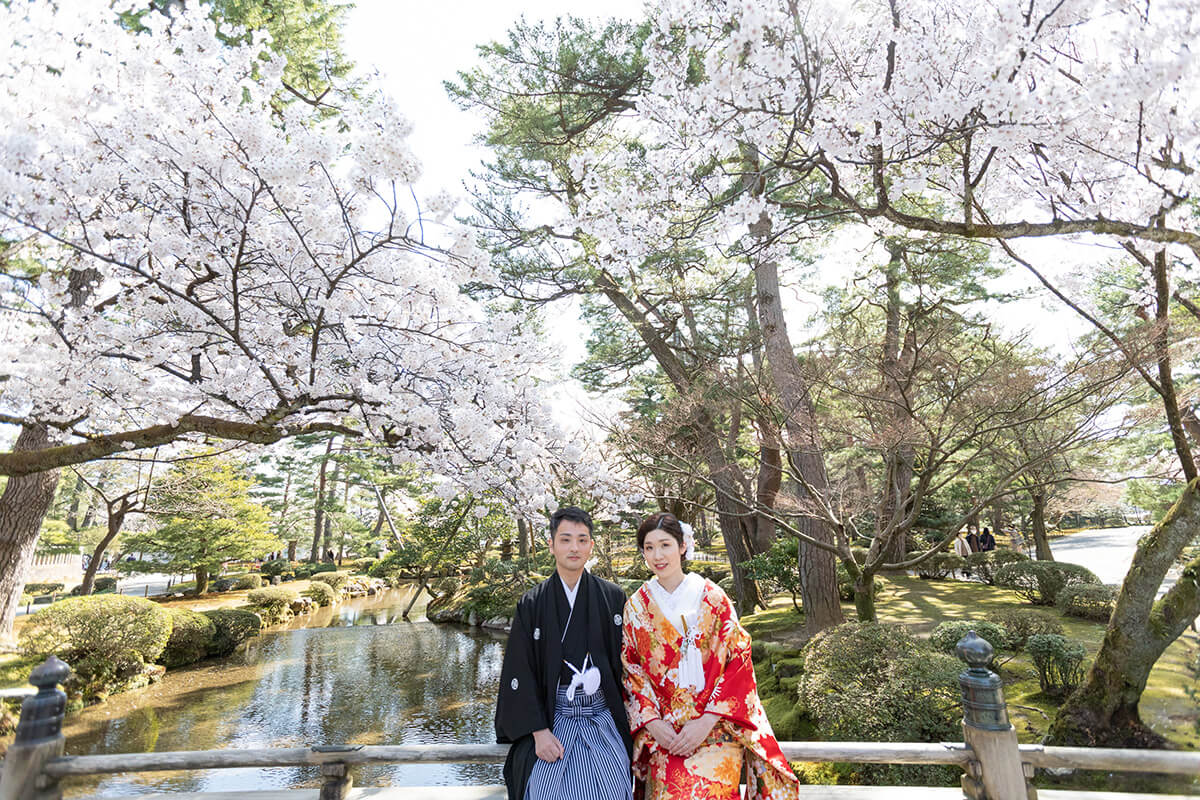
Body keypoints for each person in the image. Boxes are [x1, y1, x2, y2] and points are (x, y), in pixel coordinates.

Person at [622, 512, 799, 800]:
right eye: (649, 547)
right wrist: (654, 724)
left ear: (682, 546)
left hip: (715, 730)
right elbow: (632, 672)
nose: (658, 555)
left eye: (665, 545)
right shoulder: (635, 607)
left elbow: (738, 661)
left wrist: (705, 722)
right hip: (664, 736)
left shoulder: (713, 598)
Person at [495, 507, 632, 800]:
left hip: (601, 716)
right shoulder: (532, 603)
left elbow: (630, 665)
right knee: (544, 789)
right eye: (566, 539)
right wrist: (538, 731)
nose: (574, 548)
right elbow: (520, 670)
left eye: (582, 540)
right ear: (551, 544)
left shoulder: (613, 597)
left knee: (613, 788)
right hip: (553, 720)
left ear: (591, 546)